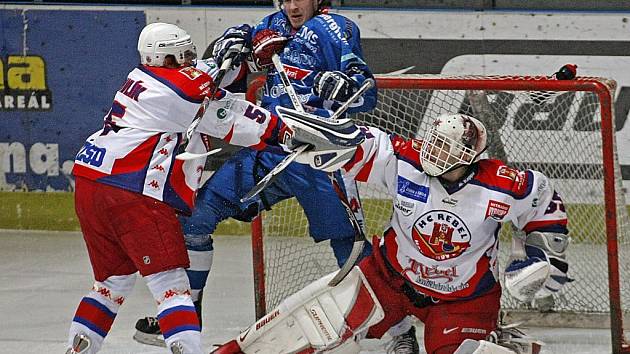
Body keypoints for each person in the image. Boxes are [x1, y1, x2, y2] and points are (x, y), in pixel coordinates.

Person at [187, 93, 571, 353]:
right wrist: (297, 133)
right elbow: (355, 142)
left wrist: (538, 257)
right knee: (300, 325)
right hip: (387, 279)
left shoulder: (505, 185)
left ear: (469, 156)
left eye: (446, 148)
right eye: (432, 142)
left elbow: (544, 212)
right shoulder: (404, 160)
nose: (433, 153)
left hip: (463, 301)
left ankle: (504, 342)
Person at [133, 0, 405, 349]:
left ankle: (398, 332)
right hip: (269, 150)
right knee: (194, 219)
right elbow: (222, 69)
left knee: (350, 248)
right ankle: (188, 314)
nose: (292, 6)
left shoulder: (334, 28)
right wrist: (229, 44)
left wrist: (341, 86)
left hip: (319, 157)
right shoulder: (271, 24)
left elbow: (365, 94)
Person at [65, 22, 242, 354]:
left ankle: (77, 350)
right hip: (130, 192)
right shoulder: (177, 88)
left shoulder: (144, 77)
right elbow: (209, 94)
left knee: (110, 285)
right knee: (172, 288)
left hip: (91, 184)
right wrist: (228, 56)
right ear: (169, 57)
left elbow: (199, 77)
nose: (191, 58)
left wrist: (223, 59)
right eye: (185, 54)